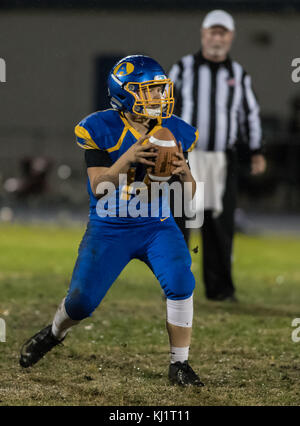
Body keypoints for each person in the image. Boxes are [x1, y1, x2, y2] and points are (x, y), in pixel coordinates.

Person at [19, 55, 204, 387]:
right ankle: (54, 332)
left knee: (181, 282)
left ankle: (180, 364)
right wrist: (129, 157)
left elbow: (191, 199)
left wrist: (184, 172)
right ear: (124, 93)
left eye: (158, 90)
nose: (156, 98)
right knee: (81, 303)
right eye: (147, 91)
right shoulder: (100, 127)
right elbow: (99, 187)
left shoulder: (173, 130)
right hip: (110, 227)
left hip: (156, 224)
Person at [169, 10, 266, 301]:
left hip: (222, 161)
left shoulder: (238, 74)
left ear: (231, 37)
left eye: (223, 32)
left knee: (219, 228)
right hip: (185, 158)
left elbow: (250, 115)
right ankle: (175, 286)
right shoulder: (183, 68)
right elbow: (165, 107)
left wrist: (256, 150)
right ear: (203, 34)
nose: (217, 37)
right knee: (178, 224)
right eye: (213, 31)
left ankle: (221, 290)